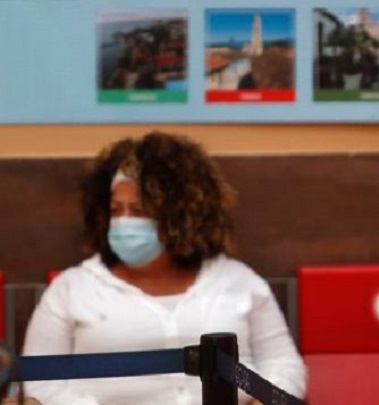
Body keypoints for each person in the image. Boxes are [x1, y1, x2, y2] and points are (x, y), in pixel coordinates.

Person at [22, 131, 307, 404]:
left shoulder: (240, 281)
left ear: (181, 216)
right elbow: (41, 381)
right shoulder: (71, 289)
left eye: (139, 211)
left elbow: (284, 365)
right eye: (116, 210)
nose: (124, 222)